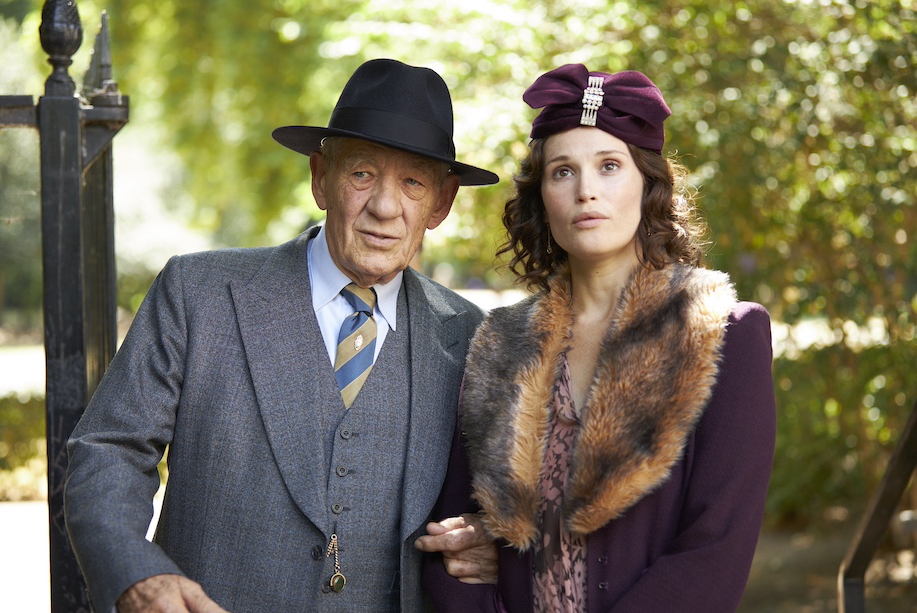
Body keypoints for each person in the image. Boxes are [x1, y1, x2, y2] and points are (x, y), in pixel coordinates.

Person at [64, 58, 501, 613]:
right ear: (321, 178)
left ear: (441, 203)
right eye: (362, 174)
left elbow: (510, 505)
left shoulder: (472, 338)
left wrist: (494, 544)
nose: (385, 207)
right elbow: (109, 451)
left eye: (413, 182)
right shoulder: (198, 293)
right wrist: (137, 576)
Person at [423, 63, 777, 612]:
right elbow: (447, 541)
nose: (586, 191)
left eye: (609, 166)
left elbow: (716, 549)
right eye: (562, 171)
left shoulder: (723, 333)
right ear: (542, 196)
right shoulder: (501, 343)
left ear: (648, 183)